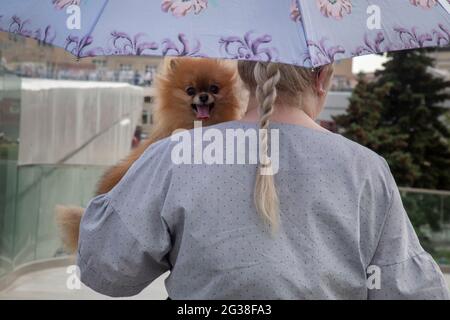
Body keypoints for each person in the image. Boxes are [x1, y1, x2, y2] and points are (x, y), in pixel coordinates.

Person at [77, 61, 450, 299]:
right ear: (322, 78)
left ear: (242, 73)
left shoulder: (175, 154)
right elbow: (409, 291)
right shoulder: (366, 169)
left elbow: (107, 270)